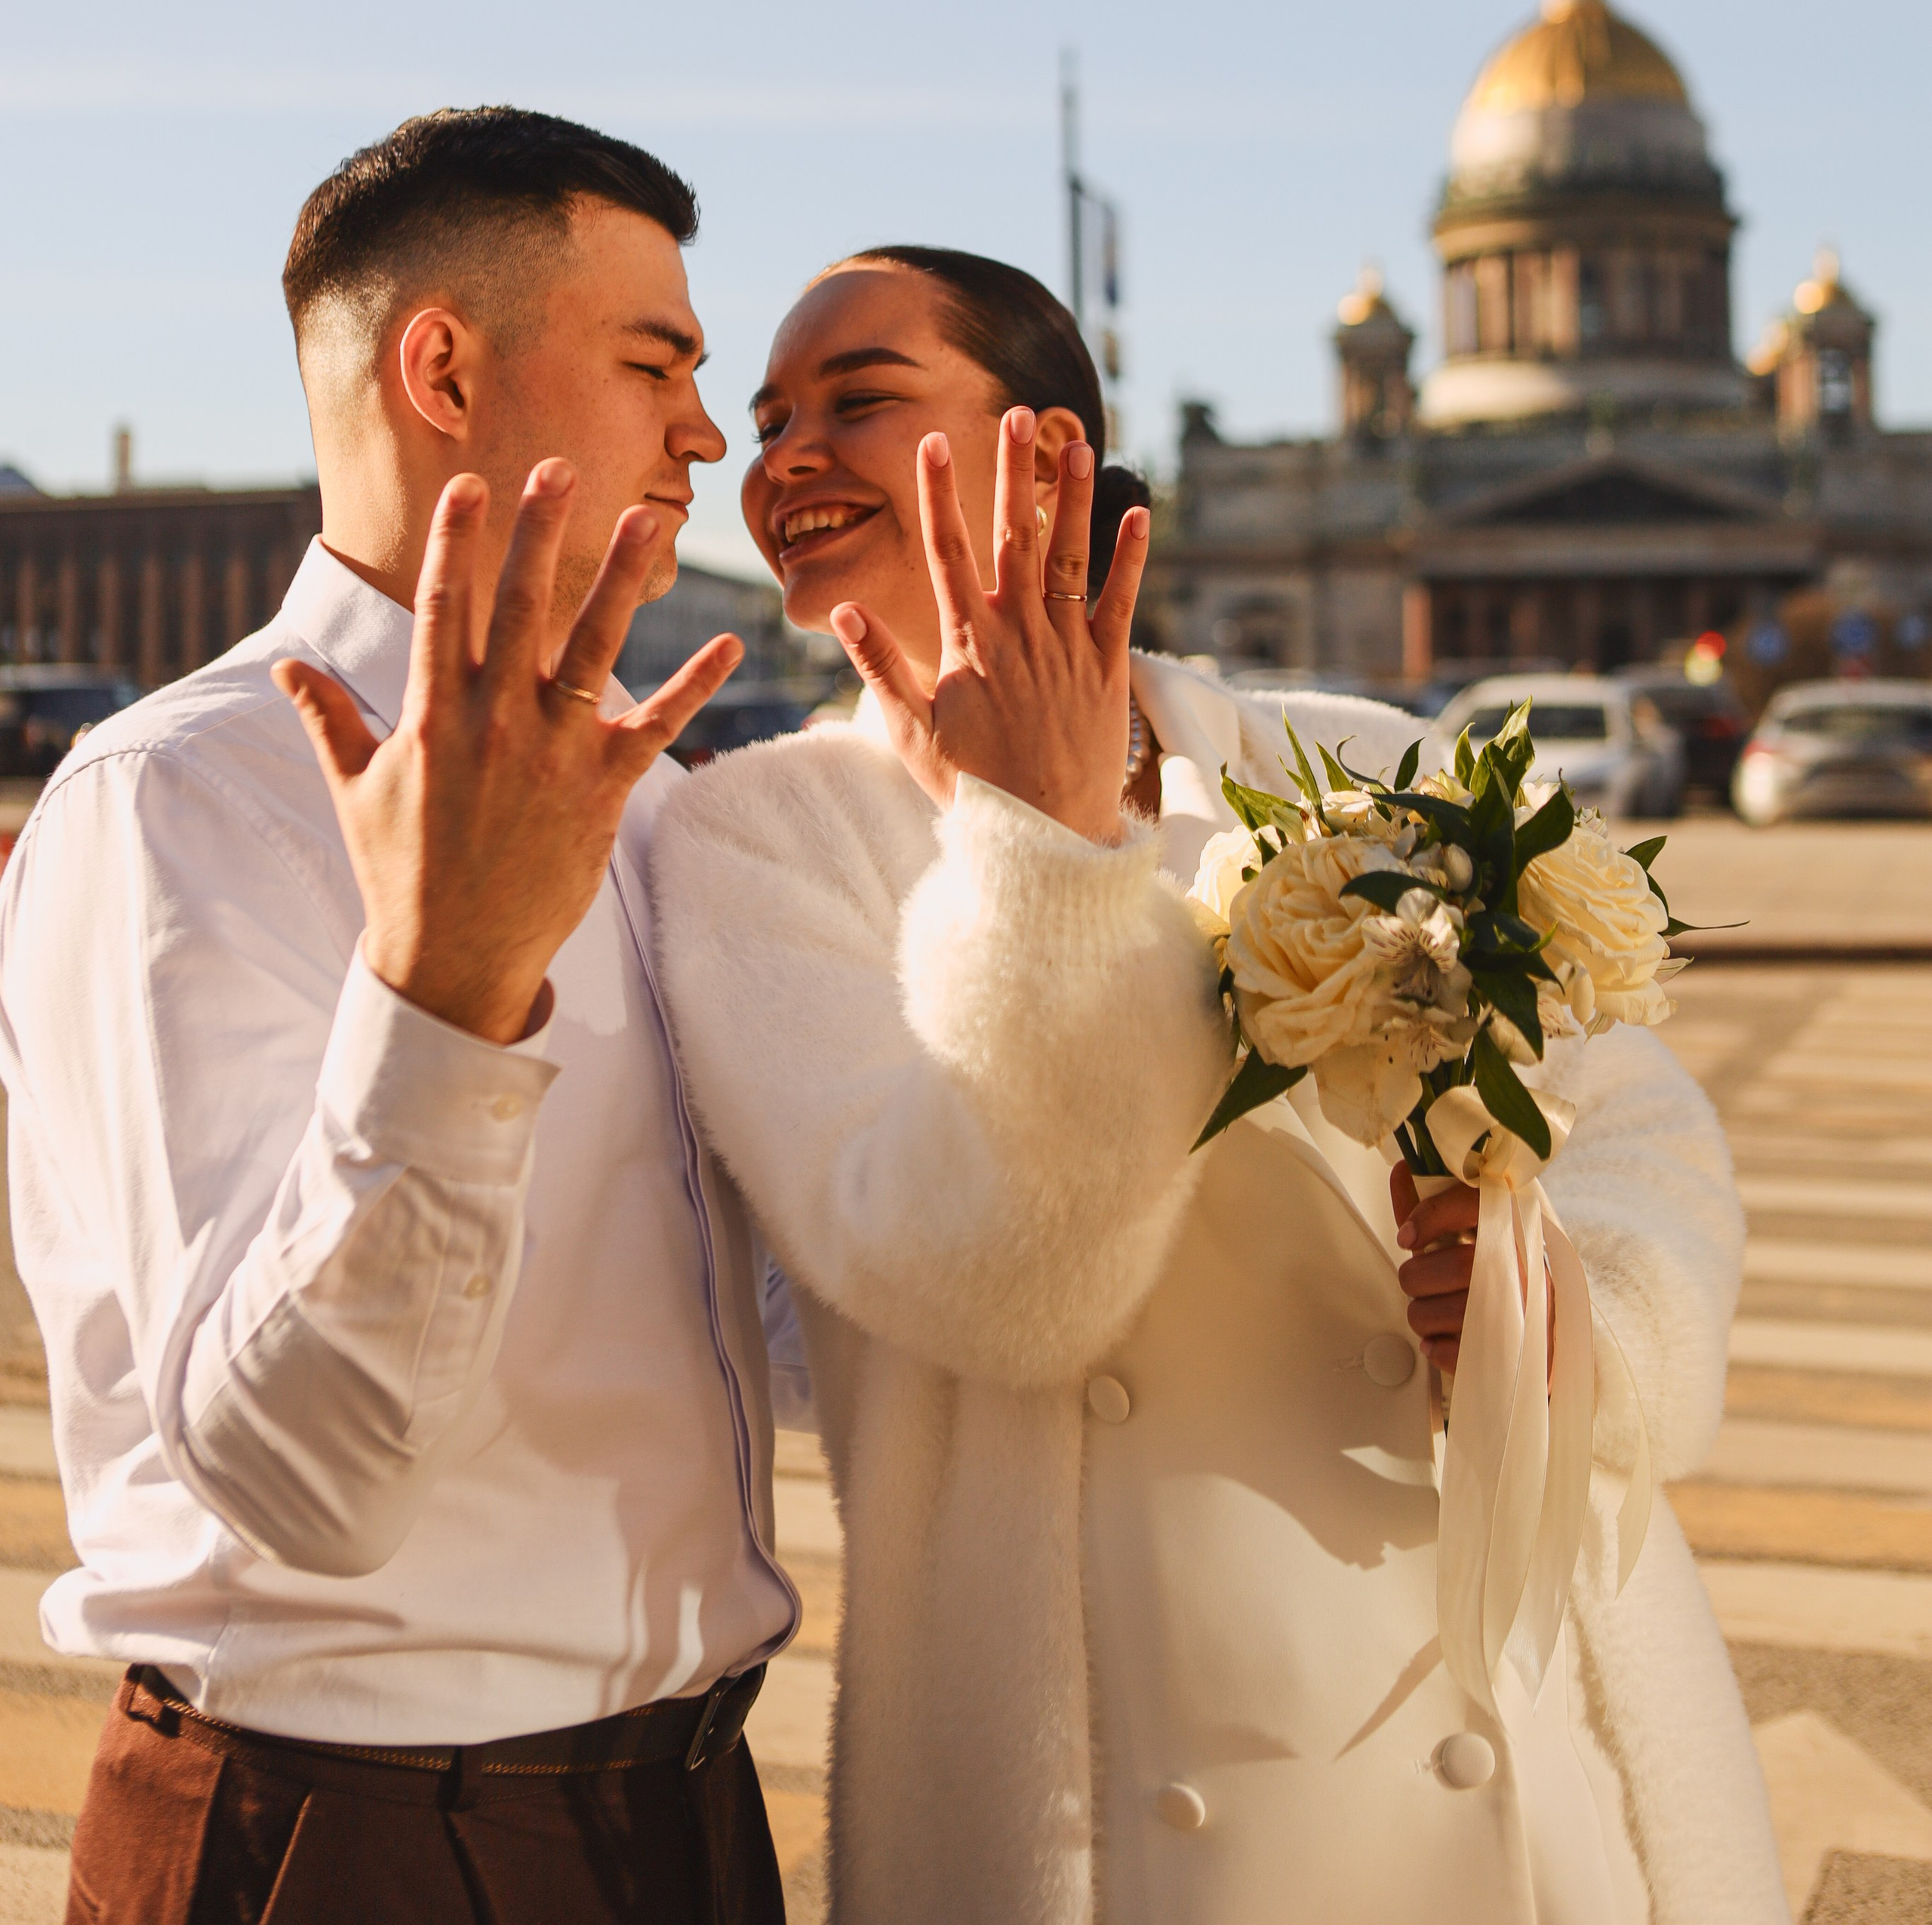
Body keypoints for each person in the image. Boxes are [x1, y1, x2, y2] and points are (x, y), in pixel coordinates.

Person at [645, 246, 1788, 1925]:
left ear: (1043, 452)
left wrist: (1572, 1316)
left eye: (855, 400)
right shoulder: (756, 841)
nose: (783, 459)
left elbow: (1641, 1129)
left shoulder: (1369, 759)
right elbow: (993, 1286)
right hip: (1116, 1776)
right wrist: (1043, 854)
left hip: (1522, 1709)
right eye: (766, 425)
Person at [0, 109, 798, 1925]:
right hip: (352, 1840)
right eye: (654, 362)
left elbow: (748, 1324)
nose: (706, 431)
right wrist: (445, 995)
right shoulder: (179, 800)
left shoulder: (656, 807)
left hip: (686, 1816)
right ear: (441, 371)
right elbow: (299, 1477)